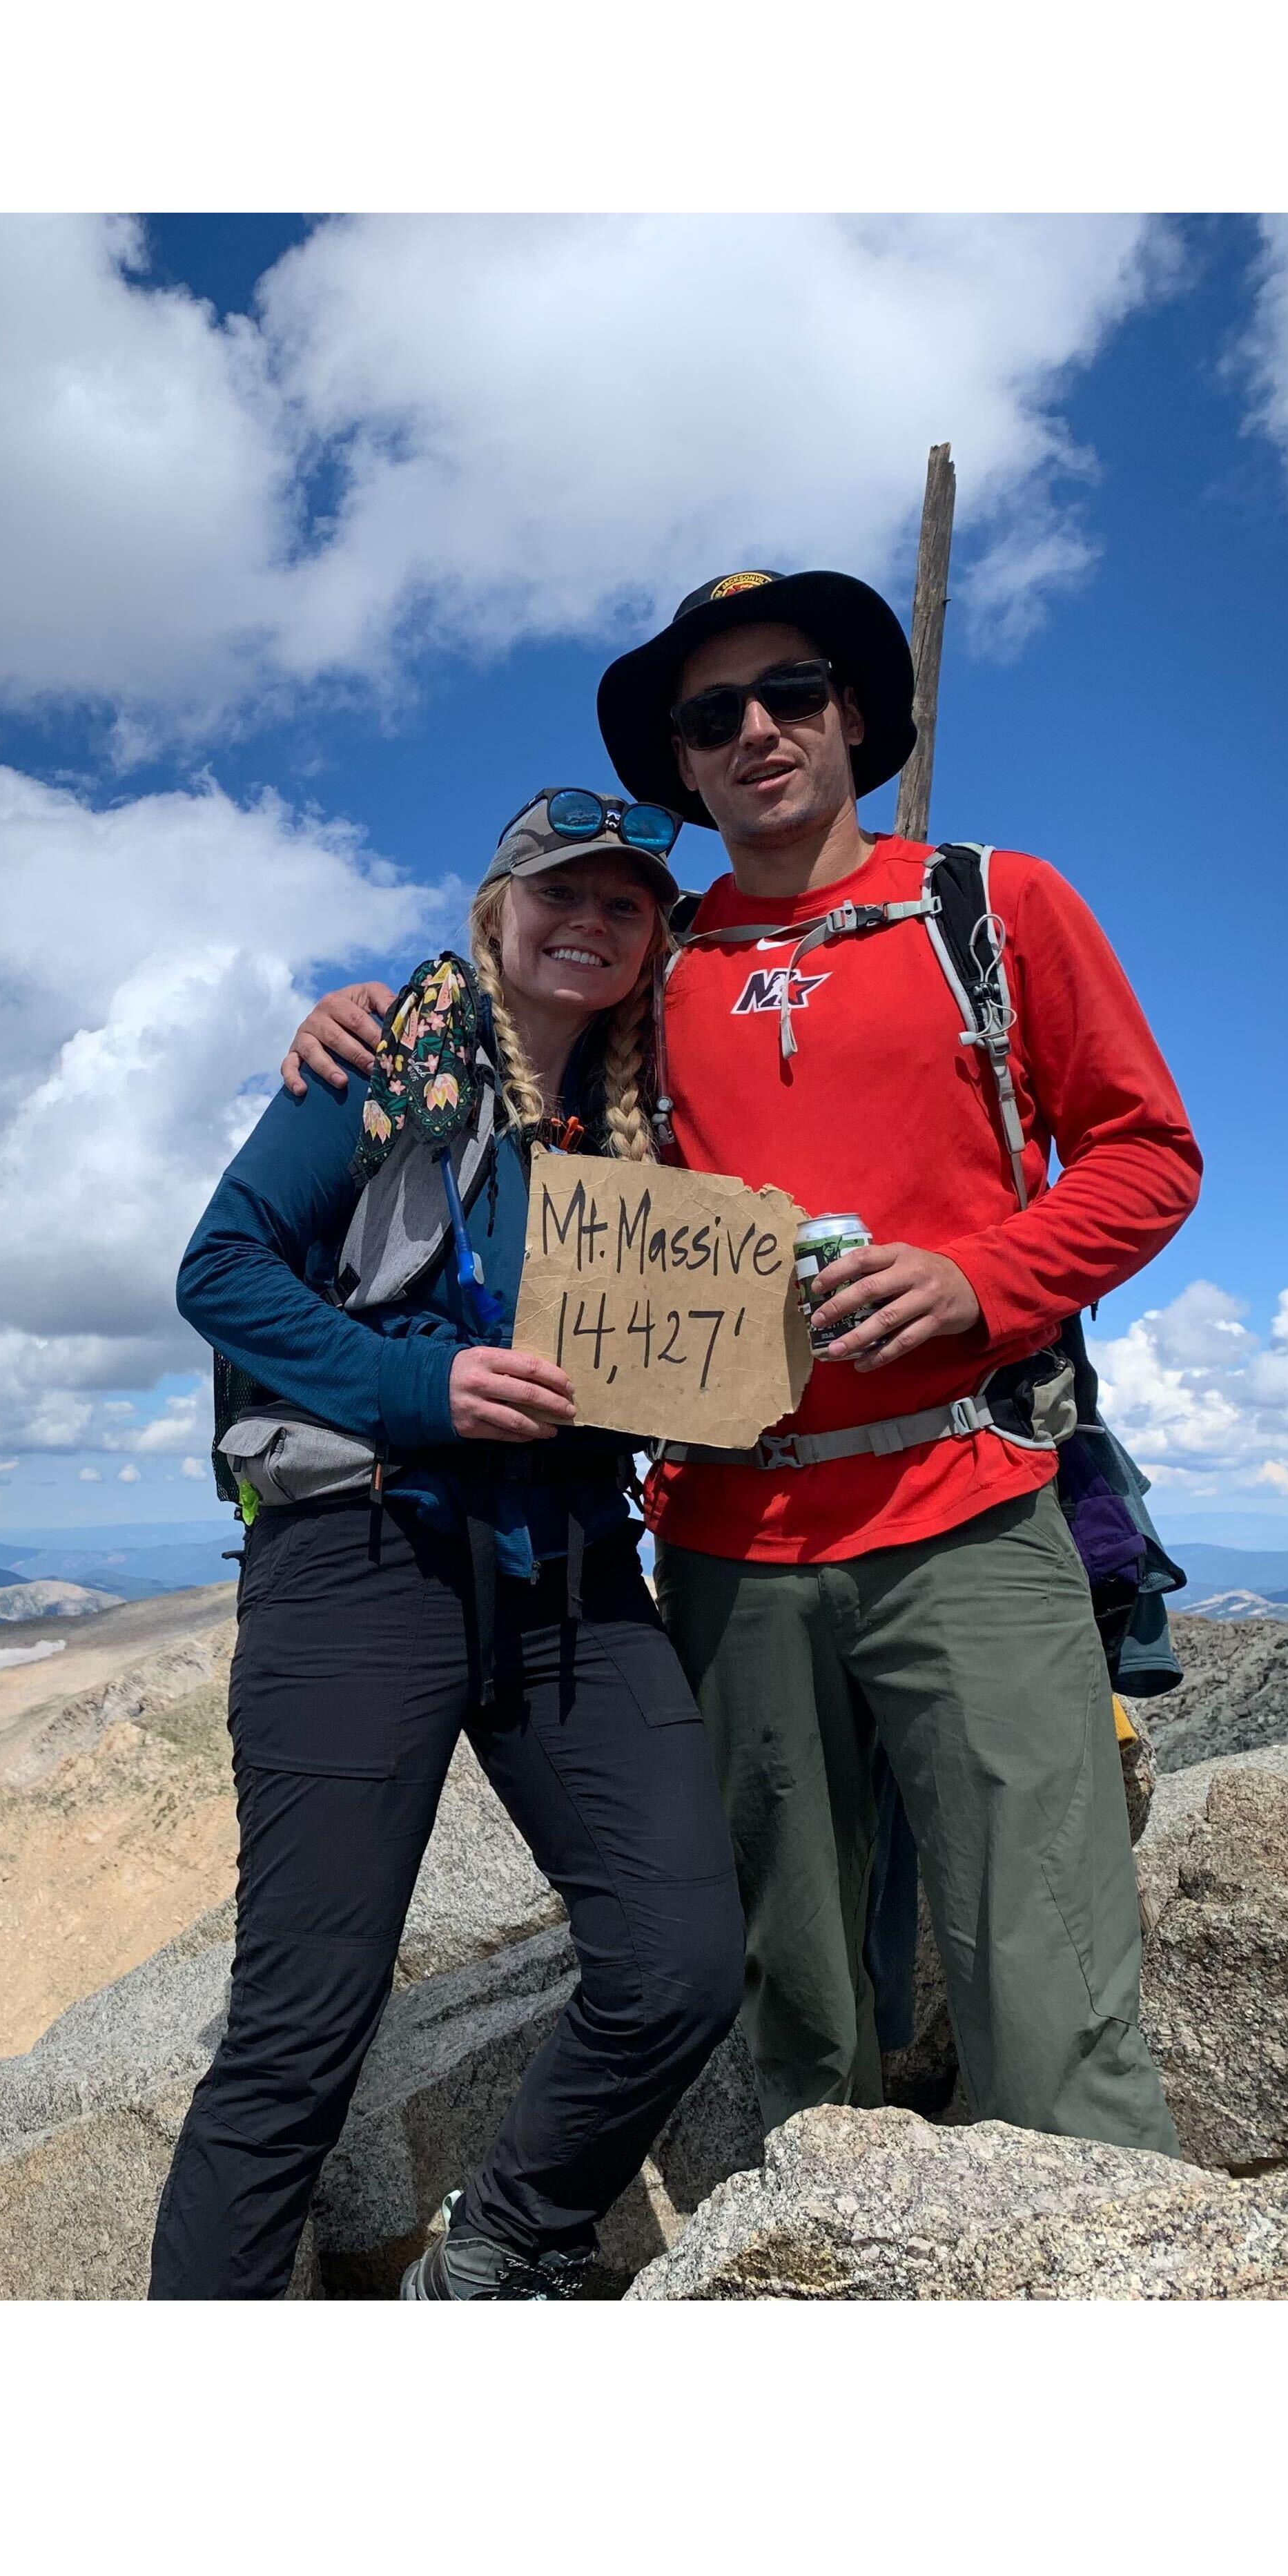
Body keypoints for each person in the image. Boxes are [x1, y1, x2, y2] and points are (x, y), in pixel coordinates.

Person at [284, 567, 1200, 2157]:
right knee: (800, 2002)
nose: (757, 731)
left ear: (856, 716)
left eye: (792, 694)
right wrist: (365, 1019)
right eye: (713, 718)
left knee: (1049, 1992)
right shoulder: (650, 959)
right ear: (686, 770)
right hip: (723, 1540)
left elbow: (1144, 1152)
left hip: (966, 1504)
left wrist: (984, 1278)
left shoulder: (991, 908)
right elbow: (511, 1028)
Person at [151, 793, 746, 2301]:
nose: (591, 921)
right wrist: (423, 1387)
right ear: (495, 913)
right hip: (364, 1561)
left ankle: (497, 2252)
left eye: (627, 905)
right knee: (299, 2037)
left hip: (572, 1581)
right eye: (560, 892)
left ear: (654, 942)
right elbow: (217, 1268)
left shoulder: (648, 1116)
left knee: (679, 1958)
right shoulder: (379, 1061)